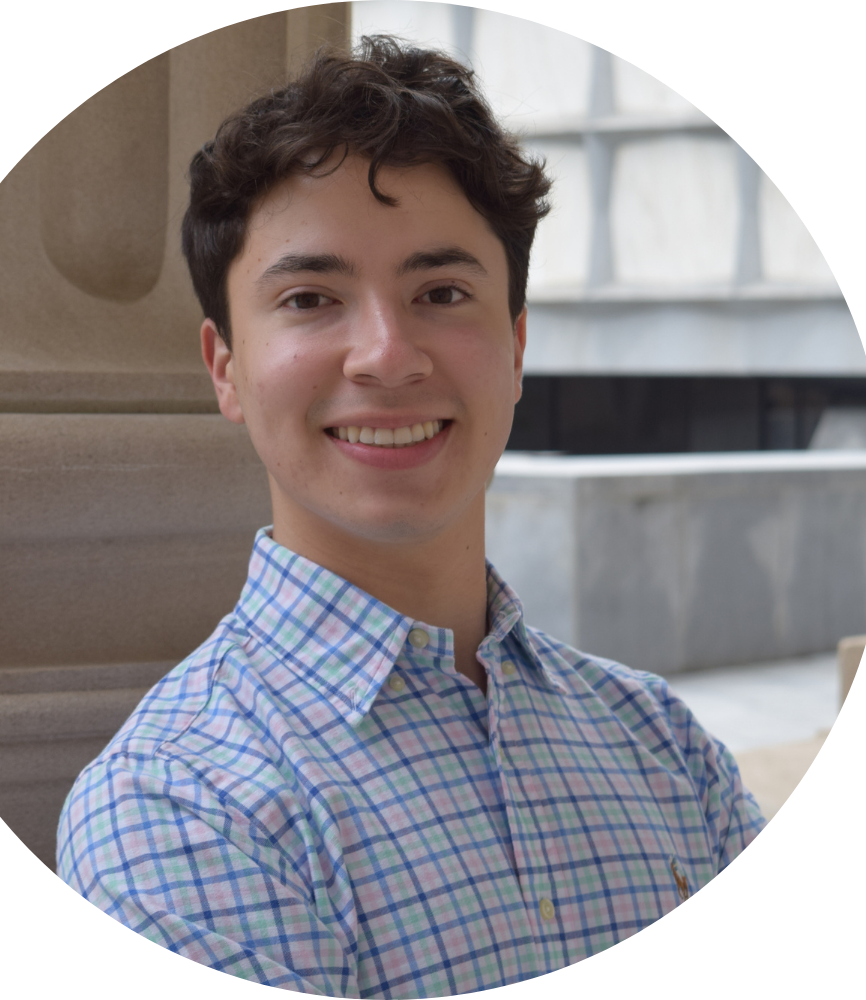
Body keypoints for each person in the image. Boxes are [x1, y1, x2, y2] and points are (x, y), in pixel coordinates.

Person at [57, 36, 765, 993]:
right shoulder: (177, 810)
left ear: (515, 348)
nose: (387, 357)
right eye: (311, 298)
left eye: (441, 293)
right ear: (225, 367)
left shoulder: (661, 741)